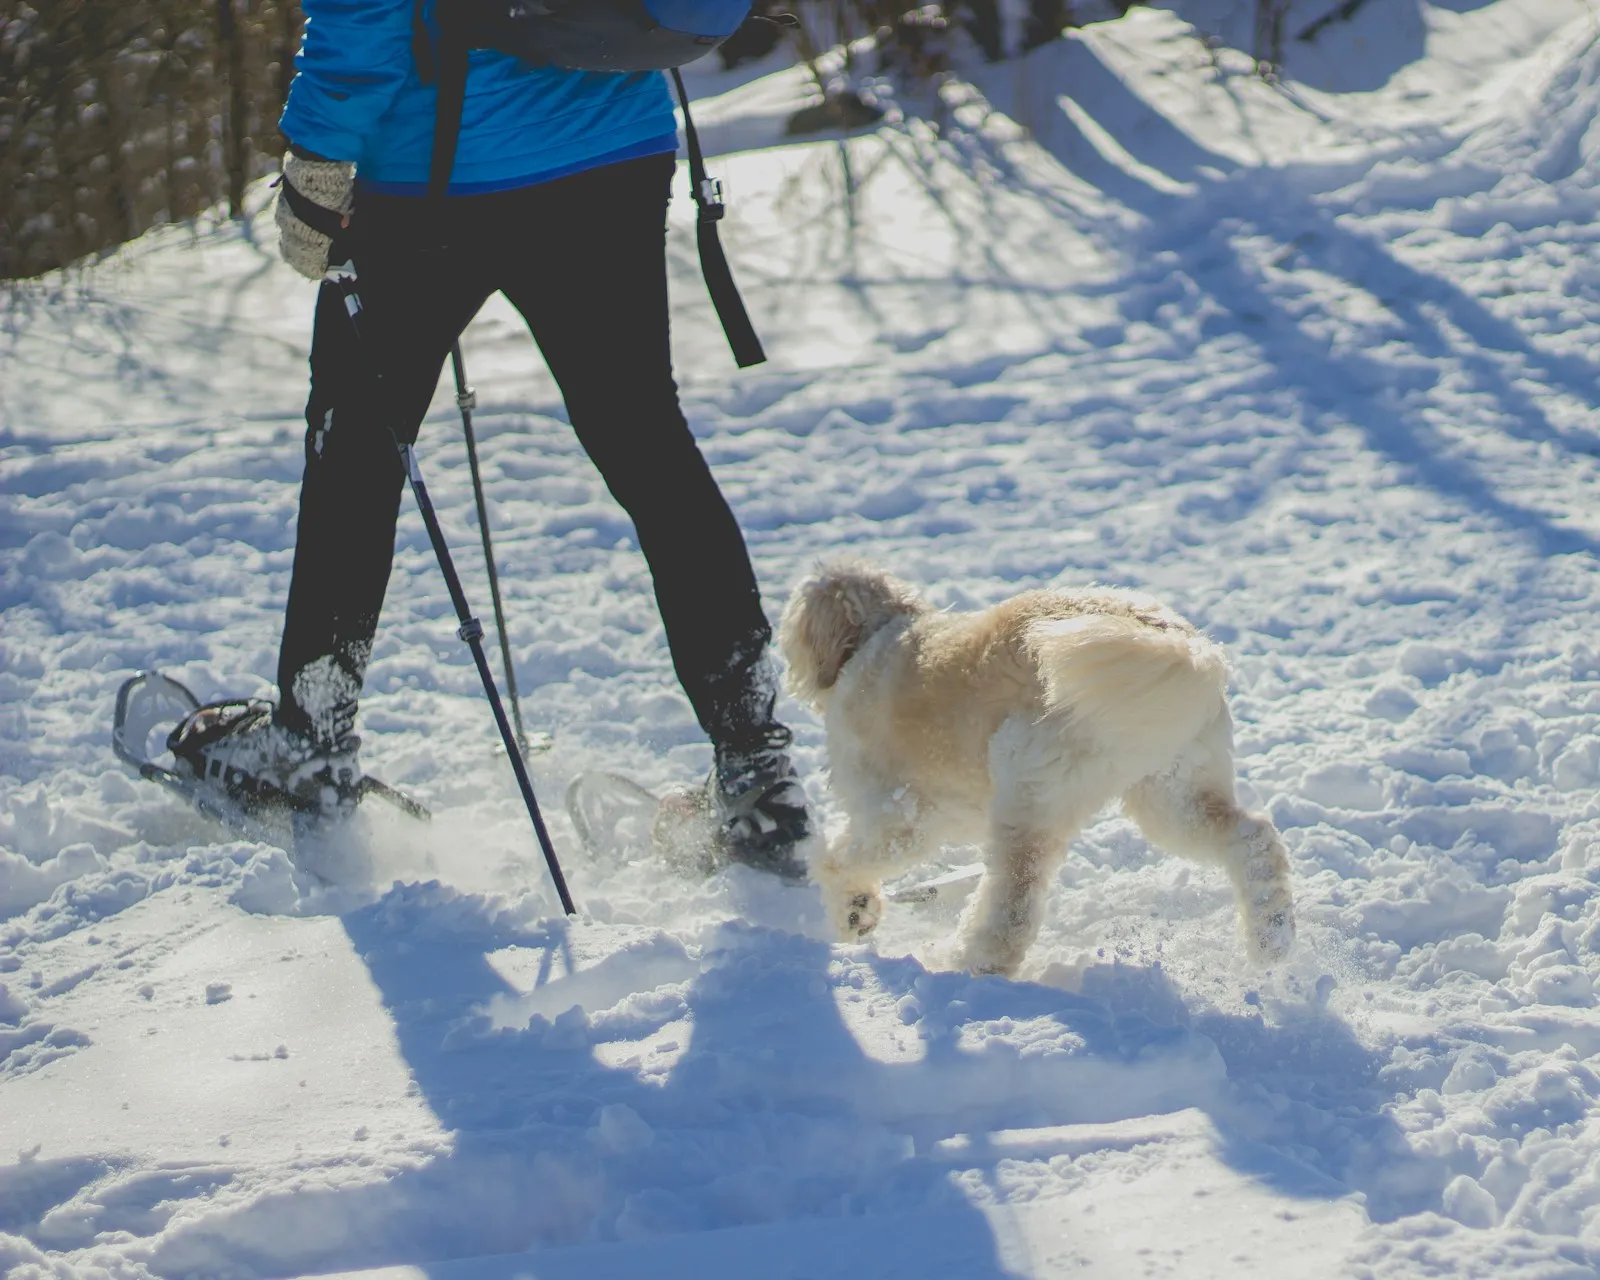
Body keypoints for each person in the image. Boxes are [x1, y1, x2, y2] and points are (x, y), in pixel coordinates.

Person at [174, 0, 815, 879]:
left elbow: (365, 10)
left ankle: (309, 745)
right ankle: (757, 773)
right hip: (611, 150)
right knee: (648, 447)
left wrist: (320, 153)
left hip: (426, 182)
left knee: (357, 456)